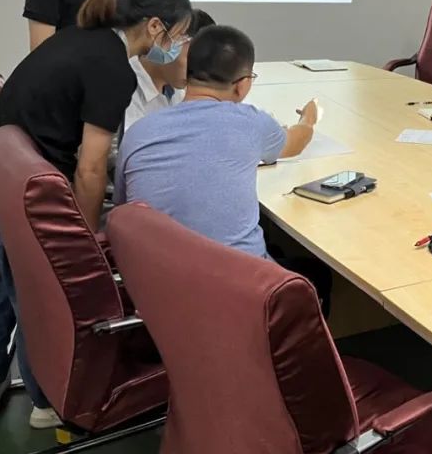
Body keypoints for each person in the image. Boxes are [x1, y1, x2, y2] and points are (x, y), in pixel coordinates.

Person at [0, 0, 191, 428]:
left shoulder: (76, 37)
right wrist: (83, 239)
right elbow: (90, 168)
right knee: (34, 299)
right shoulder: (113, 69)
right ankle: (46, 404)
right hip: (5, 195)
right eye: (179, 34)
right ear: (154, 26)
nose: (179, 45)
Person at [114, 25, 332, 312]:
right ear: (242, 85)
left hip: (154, 289)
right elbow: (296, 142)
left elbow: (123, 208)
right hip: (239, 291)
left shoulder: (138, 131)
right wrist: (309, 118)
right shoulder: (251, 122)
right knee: (318, 274)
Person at [123, 8, 216, 137]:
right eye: (193, 59)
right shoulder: (123, 86)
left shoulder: (177, 93)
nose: (199, 71)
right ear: (170, 42)